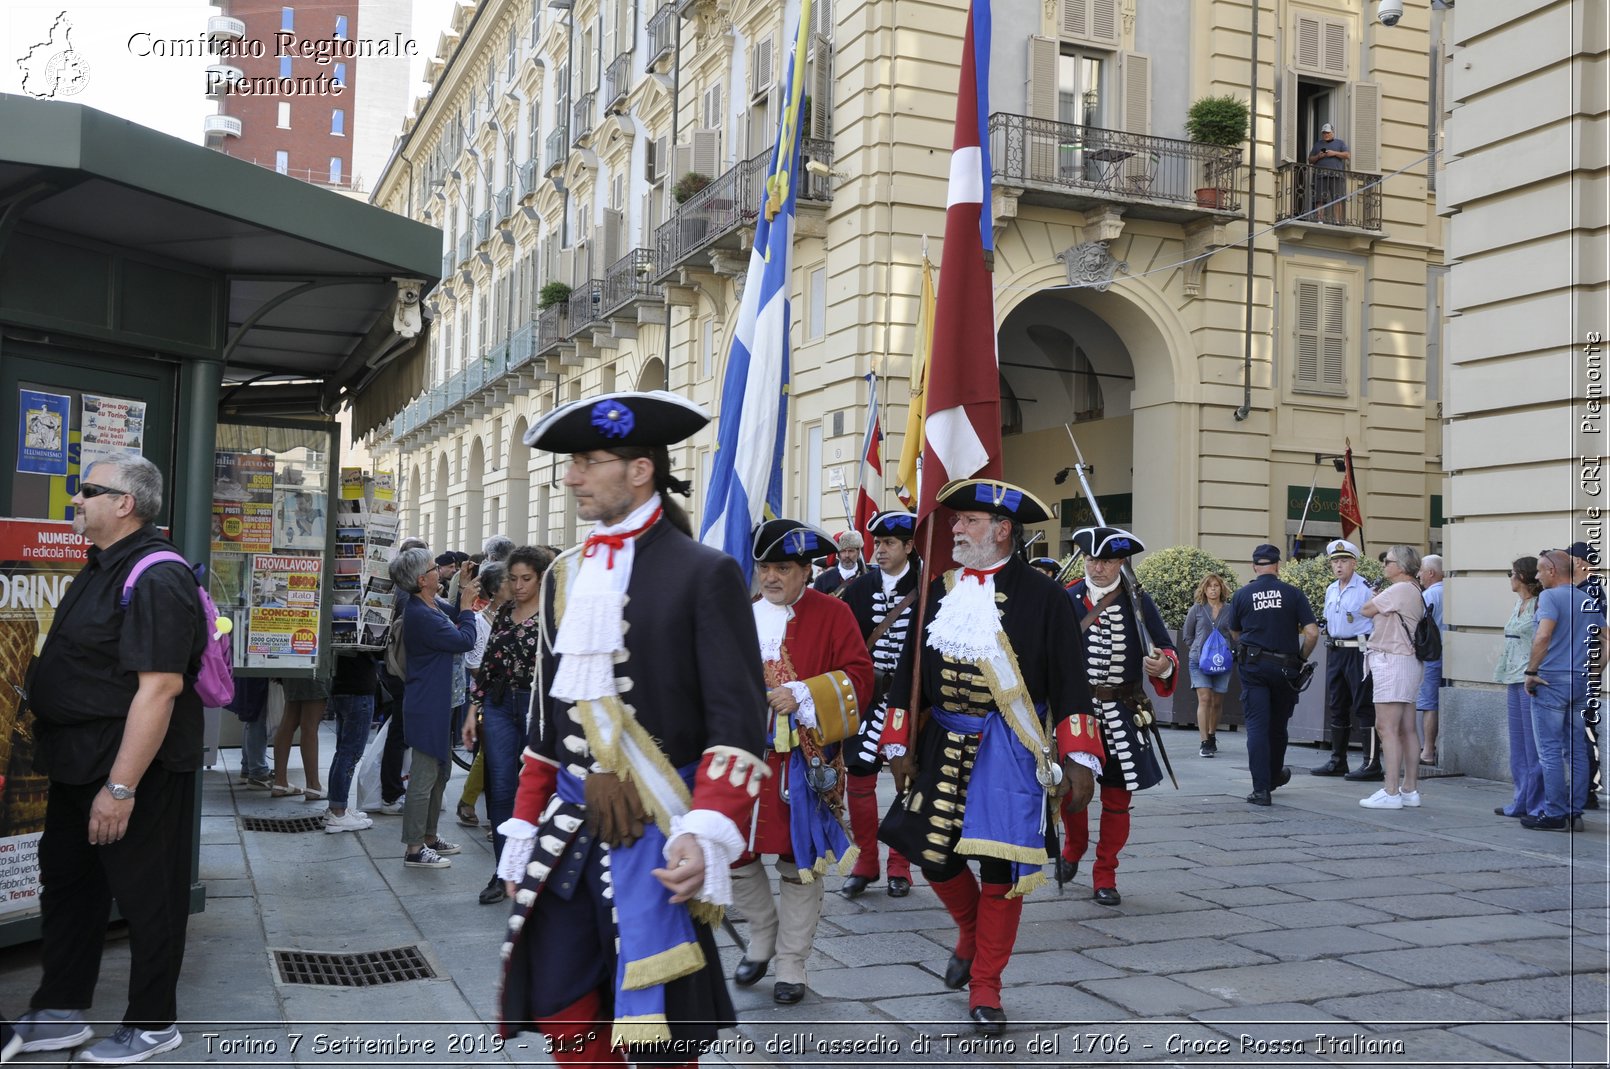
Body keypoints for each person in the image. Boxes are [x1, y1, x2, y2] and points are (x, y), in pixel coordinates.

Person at [494, 390, 768, 1065]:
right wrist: (524, 826)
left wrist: (706, 832)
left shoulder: (706, 573)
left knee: (662, 1036)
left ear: (639, 469)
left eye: (588, 461)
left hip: (658, 832)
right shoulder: (563, 575)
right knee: (561, 1009)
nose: (572, 477)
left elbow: (737, 724)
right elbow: (546, 724)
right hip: (567, 830)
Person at [879, 479, 1104, 1036]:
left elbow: (1073, 683)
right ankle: (971, 930)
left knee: (1000, 868)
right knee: (931, 853)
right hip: (941, 743)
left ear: (1002, 530)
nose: (955, 528)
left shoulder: (1045, 597)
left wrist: (1078, 757)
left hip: (1008, 750)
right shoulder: (940, 587)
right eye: (958, 521)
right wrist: (899, 739)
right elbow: (911, 673)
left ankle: (986, 984)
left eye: (969, 522)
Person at [13, 456, 204, 1063]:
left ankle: (153, 1023)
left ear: (125, 503)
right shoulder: (98, 566)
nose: (75, 500)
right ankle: (59, 1009)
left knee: (149, 896)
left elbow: (160, 689)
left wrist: (119, 790)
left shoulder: (156, 575)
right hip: (76, 761)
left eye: (87, 491)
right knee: (68, 883)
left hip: (129, 768)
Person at [730, 519, 874, 1004]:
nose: (771, 577)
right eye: (765, 567)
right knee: (732, 851)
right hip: (744, 760)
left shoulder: (833, 614)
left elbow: (860, 678)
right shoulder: (742, 615)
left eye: (783, 568)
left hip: (804, 761)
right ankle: (762, 933)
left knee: (799, 861)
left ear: (806, 571)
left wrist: (802, 693)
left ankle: (792, 962)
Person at [1058, 526, 1177, 906]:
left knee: (1117, 798)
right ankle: (1073, 848)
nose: (1098, 568)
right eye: (1092, 559)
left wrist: (1163, 665)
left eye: (1107, 560)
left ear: (1121, 562)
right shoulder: (1067, 598)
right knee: (1073, 791)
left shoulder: (1138, 601)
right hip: (1078, 712)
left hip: (1124, 711)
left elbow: (1167, 650)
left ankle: (1105, 872)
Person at [838, 510, 921, 899]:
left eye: (889, 543)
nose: (880, 550)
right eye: (878, 543)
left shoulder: (928, 590)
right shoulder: (856, 590)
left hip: (910, 702)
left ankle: (899, 865)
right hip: (868, 700)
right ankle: (867, 860)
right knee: (859, 776)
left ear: (908, 545)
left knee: (907, 782)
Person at [464, 547, 552, 905]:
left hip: (538, 708)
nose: (517, 586)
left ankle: (535, 869)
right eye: (512, 579)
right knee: (500, 789)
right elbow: (487, 665)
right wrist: (473, 710)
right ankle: (503, 872)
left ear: (542, 578)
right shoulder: (502, 614)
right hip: (499, 705)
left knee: (536, 788)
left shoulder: (554, 616)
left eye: (525, 579)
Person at [389, 548, 478, 868]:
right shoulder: (420, 614)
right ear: (421, 579)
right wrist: (467, 606)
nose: (439, 571)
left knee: (441, 771)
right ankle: (414, 848)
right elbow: (465, 638)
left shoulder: (428, 605)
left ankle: (428, 837)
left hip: (438, 703)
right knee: (425, 777)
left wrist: (461, 588)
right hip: (427, 705)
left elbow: (451, 613)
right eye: (433, 569)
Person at [1226, 544, 1319, 807]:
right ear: (1278, 566)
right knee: (1278, 727)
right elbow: (1312, 632)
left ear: (1254, 566)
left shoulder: (1243, 595)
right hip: (1287, 669)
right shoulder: (1293, 594)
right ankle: (1274, 774)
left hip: (1254, 668)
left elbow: (1234, 632)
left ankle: (1261, 790)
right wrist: (1301, 658)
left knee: (1256, 727)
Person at [1522, 550, 1606, 831]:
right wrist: (1596, 671)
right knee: (1577, 751)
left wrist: (1531, 671)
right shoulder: (1586, 599)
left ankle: (1555, 813)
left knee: (1549, 751)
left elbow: (1543, 634)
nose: (1536, 576)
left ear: (1552, 572)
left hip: (1551, 681)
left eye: (1539, 571)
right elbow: (1608, 639)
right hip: (1580, 681)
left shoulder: (1549, 597)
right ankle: (1574, 812)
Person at [1356, 545, 1426, 809]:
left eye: (1388, 561)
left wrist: (1377, 599)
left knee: (1386, 728)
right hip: (1407, 661)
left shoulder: (1398, 589)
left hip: (1391, 660)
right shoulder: (1414, 589)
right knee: (1407, 728)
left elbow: (1365, 609)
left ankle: (1391, 791)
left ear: (1402, 566)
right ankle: (1409, 789)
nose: (1384, 565)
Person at [1312, 539, 1377, 778]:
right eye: (1335, 562)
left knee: (1363, 705)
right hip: (1336, 650)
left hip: (1358, 650)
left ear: (1354, 563)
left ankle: (1371, 763)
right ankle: (1338, 760)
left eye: (1344, 561)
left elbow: (1376, 621)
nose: (1339, 566)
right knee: (1337, 704)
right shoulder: (1331, 589)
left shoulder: (1366, 589)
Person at [454, 560, 509, 833]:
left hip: (506, 695)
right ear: (496, 590)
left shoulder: (514, 618)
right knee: (492, 753)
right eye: (511, 581)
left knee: (493, 753)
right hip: (490, 696)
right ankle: (476, 805)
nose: (516, 587)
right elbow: (473, 663)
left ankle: (470, 801)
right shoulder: (478, 621)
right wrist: (497, 685)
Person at [1494, 556, 1544, 820]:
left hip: (1529, 677)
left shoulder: (1539, 605)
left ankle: (1537, 803)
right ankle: (1521, 799)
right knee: (1519, 744)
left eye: (1511, 573)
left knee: (1533, 745)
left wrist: (1533, 671)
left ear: (1523, 576)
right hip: (1512, 676)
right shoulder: (1519, 604)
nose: (1509, 578)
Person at [1565, 541, 1603, 808]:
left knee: (1584, 730)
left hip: (1582, 668)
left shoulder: (1588, 591)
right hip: (1583, 668)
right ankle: (1585, 787)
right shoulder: (1583, 589)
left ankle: (1587, 789)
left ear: (1578, 561)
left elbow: (1598, 634)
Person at [1181, 571, 1234, 759]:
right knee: (1205, 698)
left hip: (1222, 660)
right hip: (1198, 660)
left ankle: (1212, 735)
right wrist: (1199, 649)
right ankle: (1204, 742)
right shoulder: (1197, 609)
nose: (1213, 589)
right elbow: (1187, 635)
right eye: (1209, 586)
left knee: (1217, 701)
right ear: (1204, 589)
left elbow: (1235, 633)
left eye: (1216, 585)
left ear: (1221, 588)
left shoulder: (1229, 610)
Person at [323, 650, 377, 832]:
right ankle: (338, 812)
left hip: (343, 687)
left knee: (343, 752)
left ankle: (336, 807)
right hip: (358, 688)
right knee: (350, 753)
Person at [270, 666, 330, 800]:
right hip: (313, 666)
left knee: (287, 722)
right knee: (310, 727)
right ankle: (313, 785)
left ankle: (280, 782)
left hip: (292, 668)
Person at [1416, 554, 1446, 765]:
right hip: (1450, 654)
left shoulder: (1428, 595)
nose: (1419, 575)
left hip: (1432, 655)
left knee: (1429, 704)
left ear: (1431, 573)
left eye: (1421, 571)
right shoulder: (1452, 592)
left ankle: (1427, 750)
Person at [1306, 121, 1350, 222]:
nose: (1326, 135)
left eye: (1328, 133)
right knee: (1319, 199)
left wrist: (1334, 153)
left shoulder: (1340, 143)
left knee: (1337, 198)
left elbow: (1347, 155)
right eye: (1324, 133)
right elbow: (1310, 160)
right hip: (1320, 175)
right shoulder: (1318, 145)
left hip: (1336, 175)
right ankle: (1320, 220)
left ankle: (1337, 220)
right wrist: (1318, 156)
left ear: (1332, 133)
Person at [811, 530, 865, 595]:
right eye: (843, 551)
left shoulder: (867, 577)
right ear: (838, 553)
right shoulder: (822, 580)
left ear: (858, 552)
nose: (847, 555)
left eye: (851, 551)